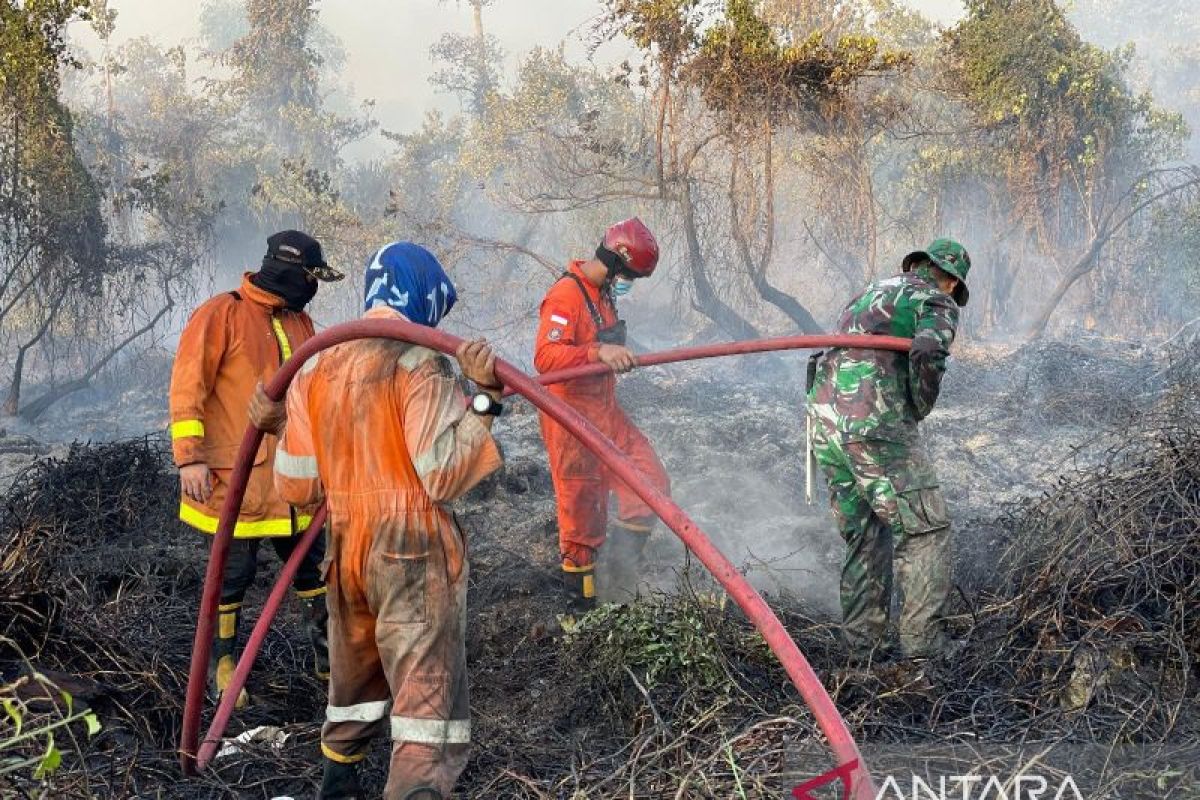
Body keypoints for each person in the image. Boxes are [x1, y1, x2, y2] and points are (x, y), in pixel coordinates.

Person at [273, 242, 504, 800]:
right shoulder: (418, 362)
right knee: (426, 697)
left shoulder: (316, 366)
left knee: (354, 672)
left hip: (346, 544)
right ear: (424, 296)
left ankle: (339, 782)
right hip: (412, 549)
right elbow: (443, 473)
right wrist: (485, 401)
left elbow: (297, 486)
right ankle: (416, 788)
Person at [169, 230, 343, 707]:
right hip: (235, 481)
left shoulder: (301, 321)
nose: (314, 288)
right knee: (232, 574)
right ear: (289, 270)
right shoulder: (220, 314)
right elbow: (188, 390)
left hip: (294, 480)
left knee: (314, 568)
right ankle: (224, 668)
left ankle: (331, 663)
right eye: (310, 278)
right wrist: (190, 459)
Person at [807, 238, 971, 663]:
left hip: (825, 423)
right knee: (925, 530)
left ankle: (864, 647)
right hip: (874, 421)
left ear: (915, 264)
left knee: (865, 533)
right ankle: (924, 651)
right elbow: (930, 352)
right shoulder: (937, 300)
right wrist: (917, 405)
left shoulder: (869, 293)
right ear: (950, 281)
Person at [534, 217, 670, 607]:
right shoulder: (566, 295)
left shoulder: (604, 295)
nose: (629, 282)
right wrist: (598, 352)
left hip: (606, 413)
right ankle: (581, 614)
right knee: (582, 520)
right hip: (571, 421)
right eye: (628, 274)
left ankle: (619, 576)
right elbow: (545, 357)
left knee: (651, 483)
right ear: (615, 258)